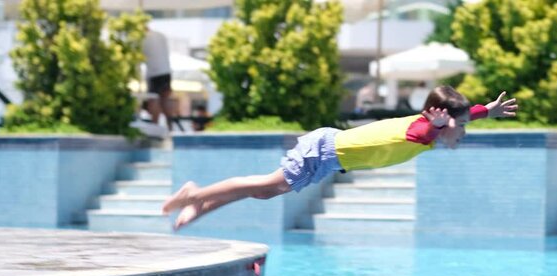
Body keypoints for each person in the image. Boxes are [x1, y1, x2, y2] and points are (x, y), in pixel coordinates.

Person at [162, 86, 518, 230]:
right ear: (442, 123)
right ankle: (195, 194)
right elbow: (426, 131)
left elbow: (465, 114)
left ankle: (200, 204)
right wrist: (437, 125)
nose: (465, 132)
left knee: (266, 191)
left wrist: (488, 109)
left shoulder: (434, 128)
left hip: (332, 154)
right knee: (267, 186)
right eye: (462, 127)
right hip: (327, 152)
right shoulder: (422, 130)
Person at [142, 28, 183, 132]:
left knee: (154, 99)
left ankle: (154, 126)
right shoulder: (161, 35)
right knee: (165, 99)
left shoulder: (143, 38)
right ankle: (170, 128)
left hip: (154, 73)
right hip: (166, 71)